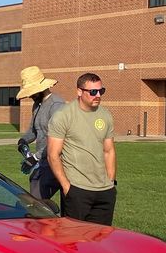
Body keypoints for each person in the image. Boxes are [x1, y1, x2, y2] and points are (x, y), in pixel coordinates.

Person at [46, 73, 117, 225]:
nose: (97, 95)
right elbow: (53, 155)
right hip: (77, 189)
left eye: (101, 91)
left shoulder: (105, 115)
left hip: (105, 191)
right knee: (74, 242)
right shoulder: (63, 116)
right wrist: (67, 187)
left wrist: (111, 181)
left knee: (100, 241)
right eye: (92, 92)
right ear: (79, 91)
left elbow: (109, 150)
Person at [16, 65, 66, 200]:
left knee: (37, 204)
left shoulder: (57, 106)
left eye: (32, 92)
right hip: (43, 162)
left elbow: (59, 139)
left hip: (59, 163)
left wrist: (35, 158)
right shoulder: (37, 104)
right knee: (36, 200)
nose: (30, 95)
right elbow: (34, 130)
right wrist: (24, 140)